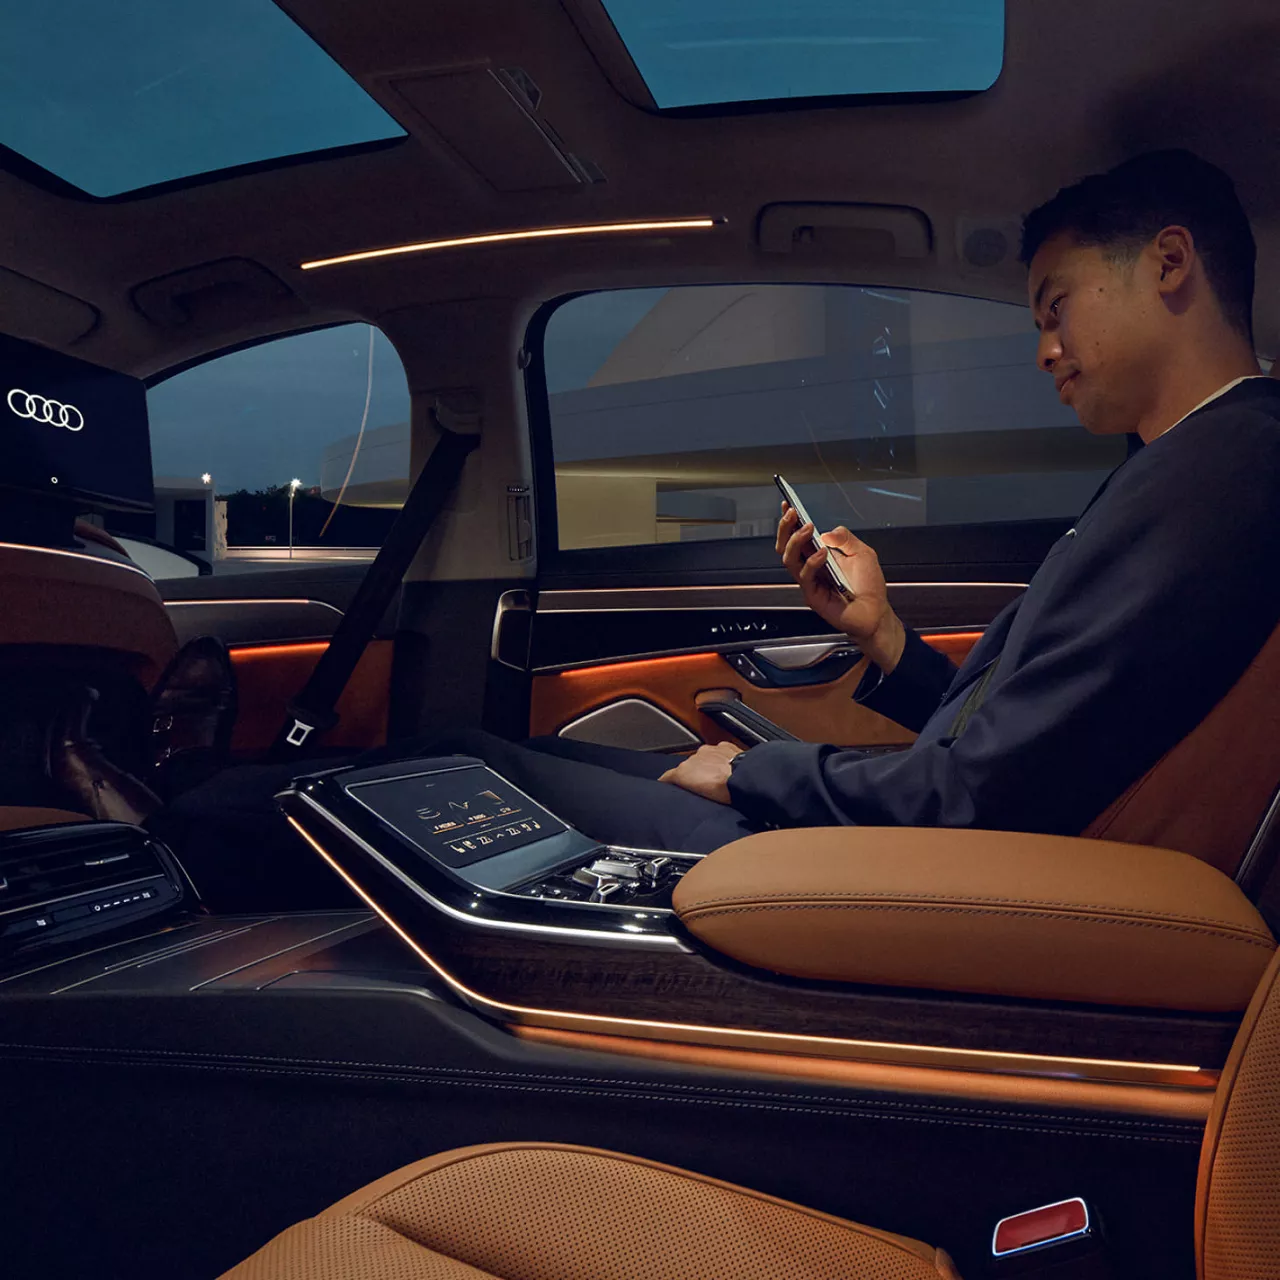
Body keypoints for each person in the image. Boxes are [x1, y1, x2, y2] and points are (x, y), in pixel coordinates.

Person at [156, 149, 1280, 905]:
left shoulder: (1221, 469)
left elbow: (983, 791)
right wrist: (882, 639)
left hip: (932, 864)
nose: (1041, 348)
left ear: (1169, 265)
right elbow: (1022, 735)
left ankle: (171, 840)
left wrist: (761, 775)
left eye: (1055, 308)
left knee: (470, 766)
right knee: (519, 762)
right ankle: (188, 816)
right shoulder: (1182, 470)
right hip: (933, 835)